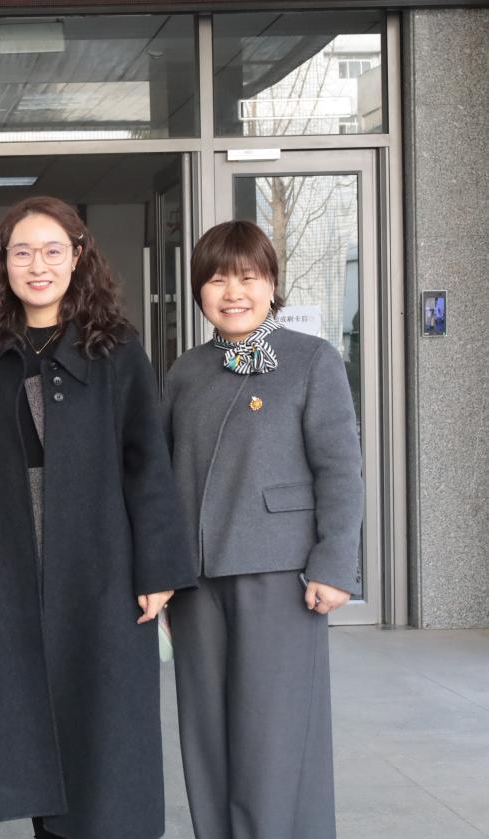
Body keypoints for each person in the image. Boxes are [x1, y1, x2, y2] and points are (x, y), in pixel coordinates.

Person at [0, 196, 195, 839]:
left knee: (104, 720)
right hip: (9, 558)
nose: (37, 266)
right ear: (3, 263)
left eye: (52, 250)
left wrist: (158, 568)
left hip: (102, 557)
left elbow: (147, 461)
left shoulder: (116, 348)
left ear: (78, 256)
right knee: (31, 721)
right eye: (22, 252)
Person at [164, 220, 362, 839]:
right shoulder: (185, 370)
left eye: (247, 277)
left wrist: (335, 563)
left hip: (281, 571)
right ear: (199, 290)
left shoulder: (311, 359)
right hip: (198, 576)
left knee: (272, 730)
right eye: (217, 279)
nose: (232, 293)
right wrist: (163, 571)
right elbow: (162, 476)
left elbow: (340, 468)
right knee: (205, 727)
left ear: (272, 283)